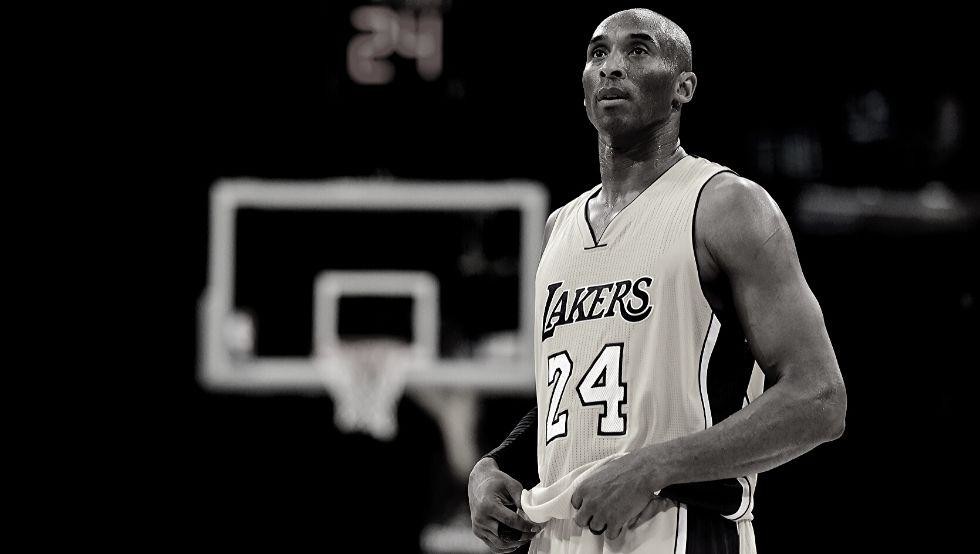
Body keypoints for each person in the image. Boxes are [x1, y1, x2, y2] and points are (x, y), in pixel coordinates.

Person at [468, 8, 847, 554]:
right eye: (598, 53)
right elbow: (585, 396)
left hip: (682, 529)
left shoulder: (726, 205)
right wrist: (495, 464)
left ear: (683, 88)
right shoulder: (558, 229)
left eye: (638, 50)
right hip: (559, 537)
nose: (611, 66)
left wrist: (652, 468)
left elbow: (819, 399)